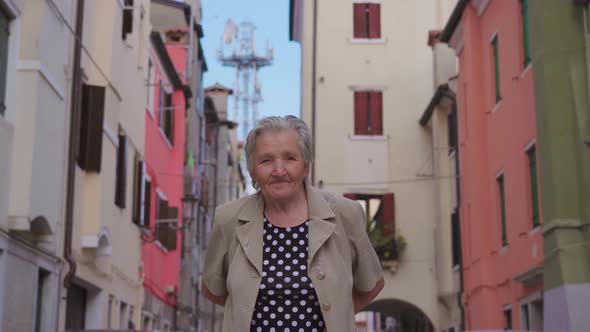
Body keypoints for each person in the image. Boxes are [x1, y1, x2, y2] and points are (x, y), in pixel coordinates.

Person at [202, 115, 384, 331]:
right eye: (266, 160)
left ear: (306, 165)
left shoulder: (346, 214)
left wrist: (335, 314)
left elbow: (371, 284)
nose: (279, 170)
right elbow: (212, 289)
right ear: (252, 170)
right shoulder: (228, 219)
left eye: (290, 158)